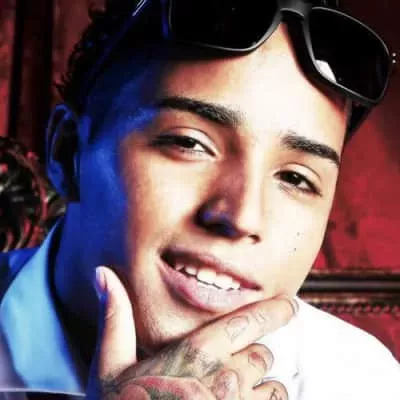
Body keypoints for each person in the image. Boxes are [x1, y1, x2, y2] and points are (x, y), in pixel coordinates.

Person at [0, 0, 399, 399]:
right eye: (189, 143)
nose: (242, 217)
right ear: (67, 152)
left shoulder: (363, 382)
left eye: (296, 178)